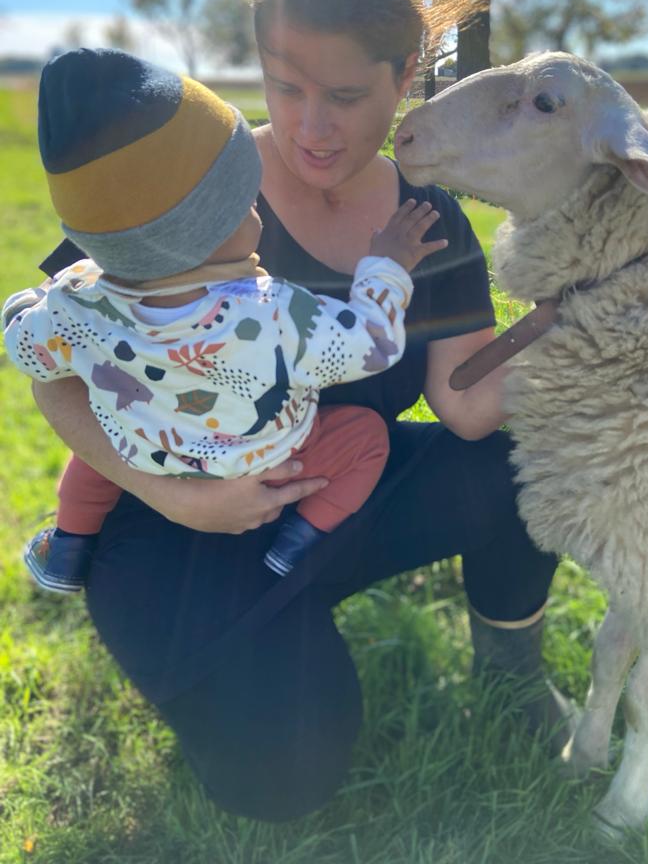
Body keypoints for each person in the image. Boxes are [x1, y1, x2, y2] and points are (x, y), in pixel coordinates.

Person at [28, 0, 567, 821]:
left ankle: (511, 661)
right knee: (281, 784)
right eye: (283, 87)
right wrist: (177, 495)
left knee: (523, 464)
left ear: (406, 76)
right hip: (170, 522)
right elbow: (56, 366)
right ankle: (239, 647)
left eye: (348, 98)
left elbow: (469, 412)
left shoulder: (427, 222)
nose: (312, 127)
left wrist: (579, 322)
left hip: (337, 492)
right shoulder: (188, 176)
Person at [4, 47, 447, 589]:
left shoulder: (76, 304)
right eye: (244, 202)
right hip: (267, 459)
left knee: (94, 452)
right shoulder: (273, 312)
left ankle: (69, 548)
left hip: (147, 453)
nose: (257, 207)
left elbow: (23, 348)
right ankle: (298, 541)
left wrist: (29, 303)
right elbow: (372, 344)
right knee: (366, 437)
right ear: (207, 228)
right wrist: (385, 267)